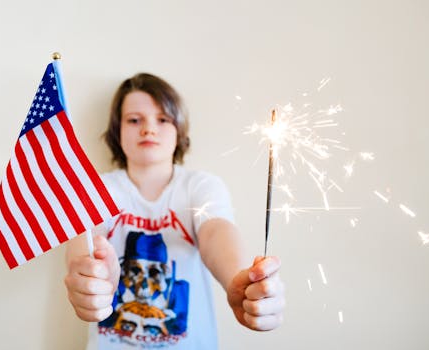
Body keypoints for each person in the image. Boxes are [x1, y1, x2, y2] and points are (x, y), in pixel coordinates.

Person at [64, 73, 285, 349]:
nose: (148, 129)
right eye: (134, 120)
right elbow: (80, 249)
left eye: (163, 119)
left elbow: (216, 232)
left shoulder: (200, 187)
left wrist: (238, 280)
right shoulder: (95, 189)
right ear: (116, 130)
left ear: (179, 129)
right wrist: (87, 277)